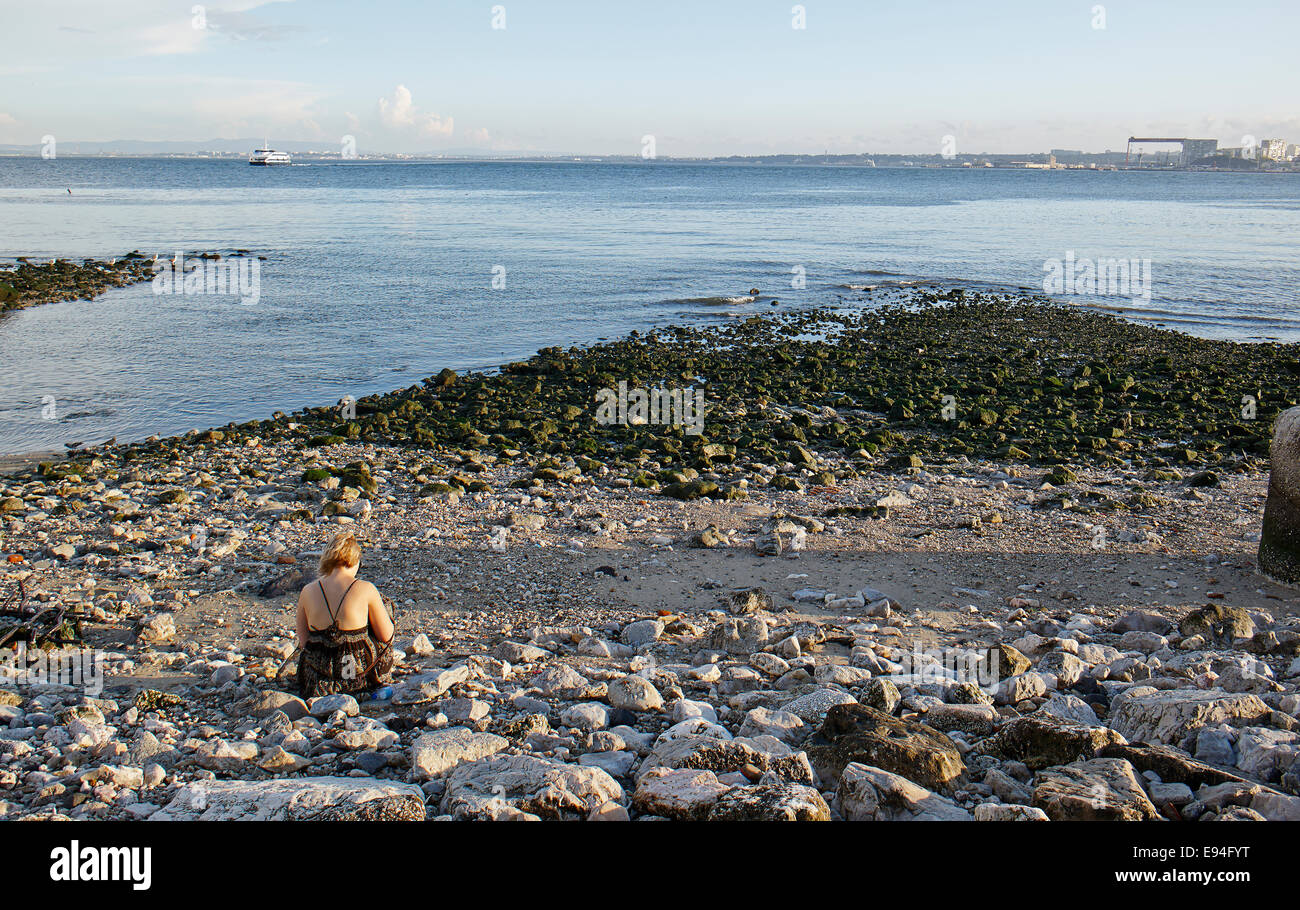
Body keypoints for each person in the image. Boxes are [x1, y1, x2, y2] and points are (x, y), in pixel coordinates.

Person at [295, 532, 394, 698]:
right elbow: (386, 636)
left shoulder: (308, 590)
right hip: (358, 674)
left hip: (318, 678)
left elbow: (304, 642)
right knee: (384, 609)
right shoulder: (365, 588)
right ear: (355, 560)